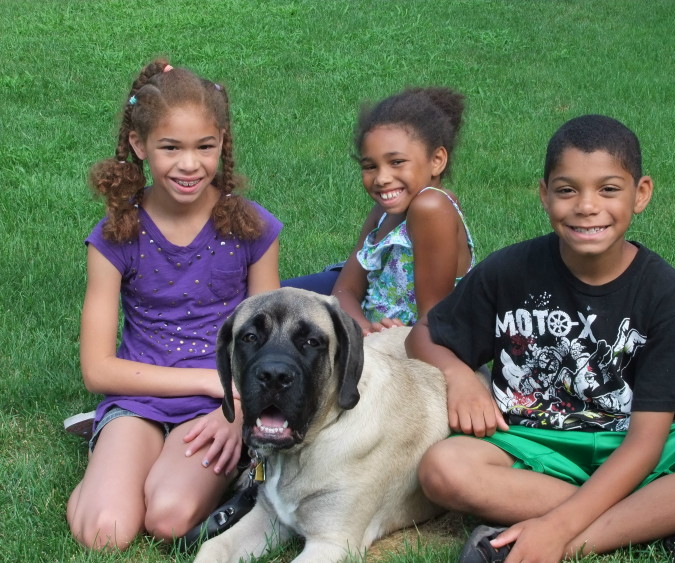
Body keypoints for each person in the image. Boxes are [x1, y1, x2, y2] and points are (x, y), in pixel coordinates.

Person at [405, 114, 675, 563]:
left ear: (640, 193)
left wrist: (558, 530)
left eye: (608, 189)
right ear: (544, 194)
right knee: (443, 469)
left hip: (639, 449)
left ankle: (547, 540)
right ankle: (664, 515)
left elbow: (646, 444)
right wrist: (459, 375)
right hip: (535, 447)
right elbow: (423, 334)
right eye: (567, 190)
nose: (587, 206)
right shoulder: (509, 270)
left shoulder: (667, 295)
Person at [66, 59, 282, 551]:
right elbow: (97, 370)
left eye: (205, 146)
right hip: (139, 400)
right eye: (171, 148)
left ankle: (197, 466)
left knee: (167, 519)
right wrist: (211, 381)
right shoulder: (114, 235)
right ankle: (108, 458)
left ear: (222, 141)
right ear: (141, 147)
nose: (190, 164)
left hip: (218, 407)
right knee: (106, 533)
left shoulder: (252, 228)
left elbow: (269, 343)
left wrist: (238, 411)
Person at [282, 87, 475, 335]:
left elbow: (433, 321)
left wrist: (385, 340)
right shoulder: (382, 212)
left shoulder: (432, 208)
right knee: (260, 304)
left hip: (407, 344)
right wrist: (362, 329)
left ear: (436, 160)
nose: (382, 178)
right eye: (370, 166)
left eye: (396, 162)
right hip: (364, 327)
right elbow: (345, 290)